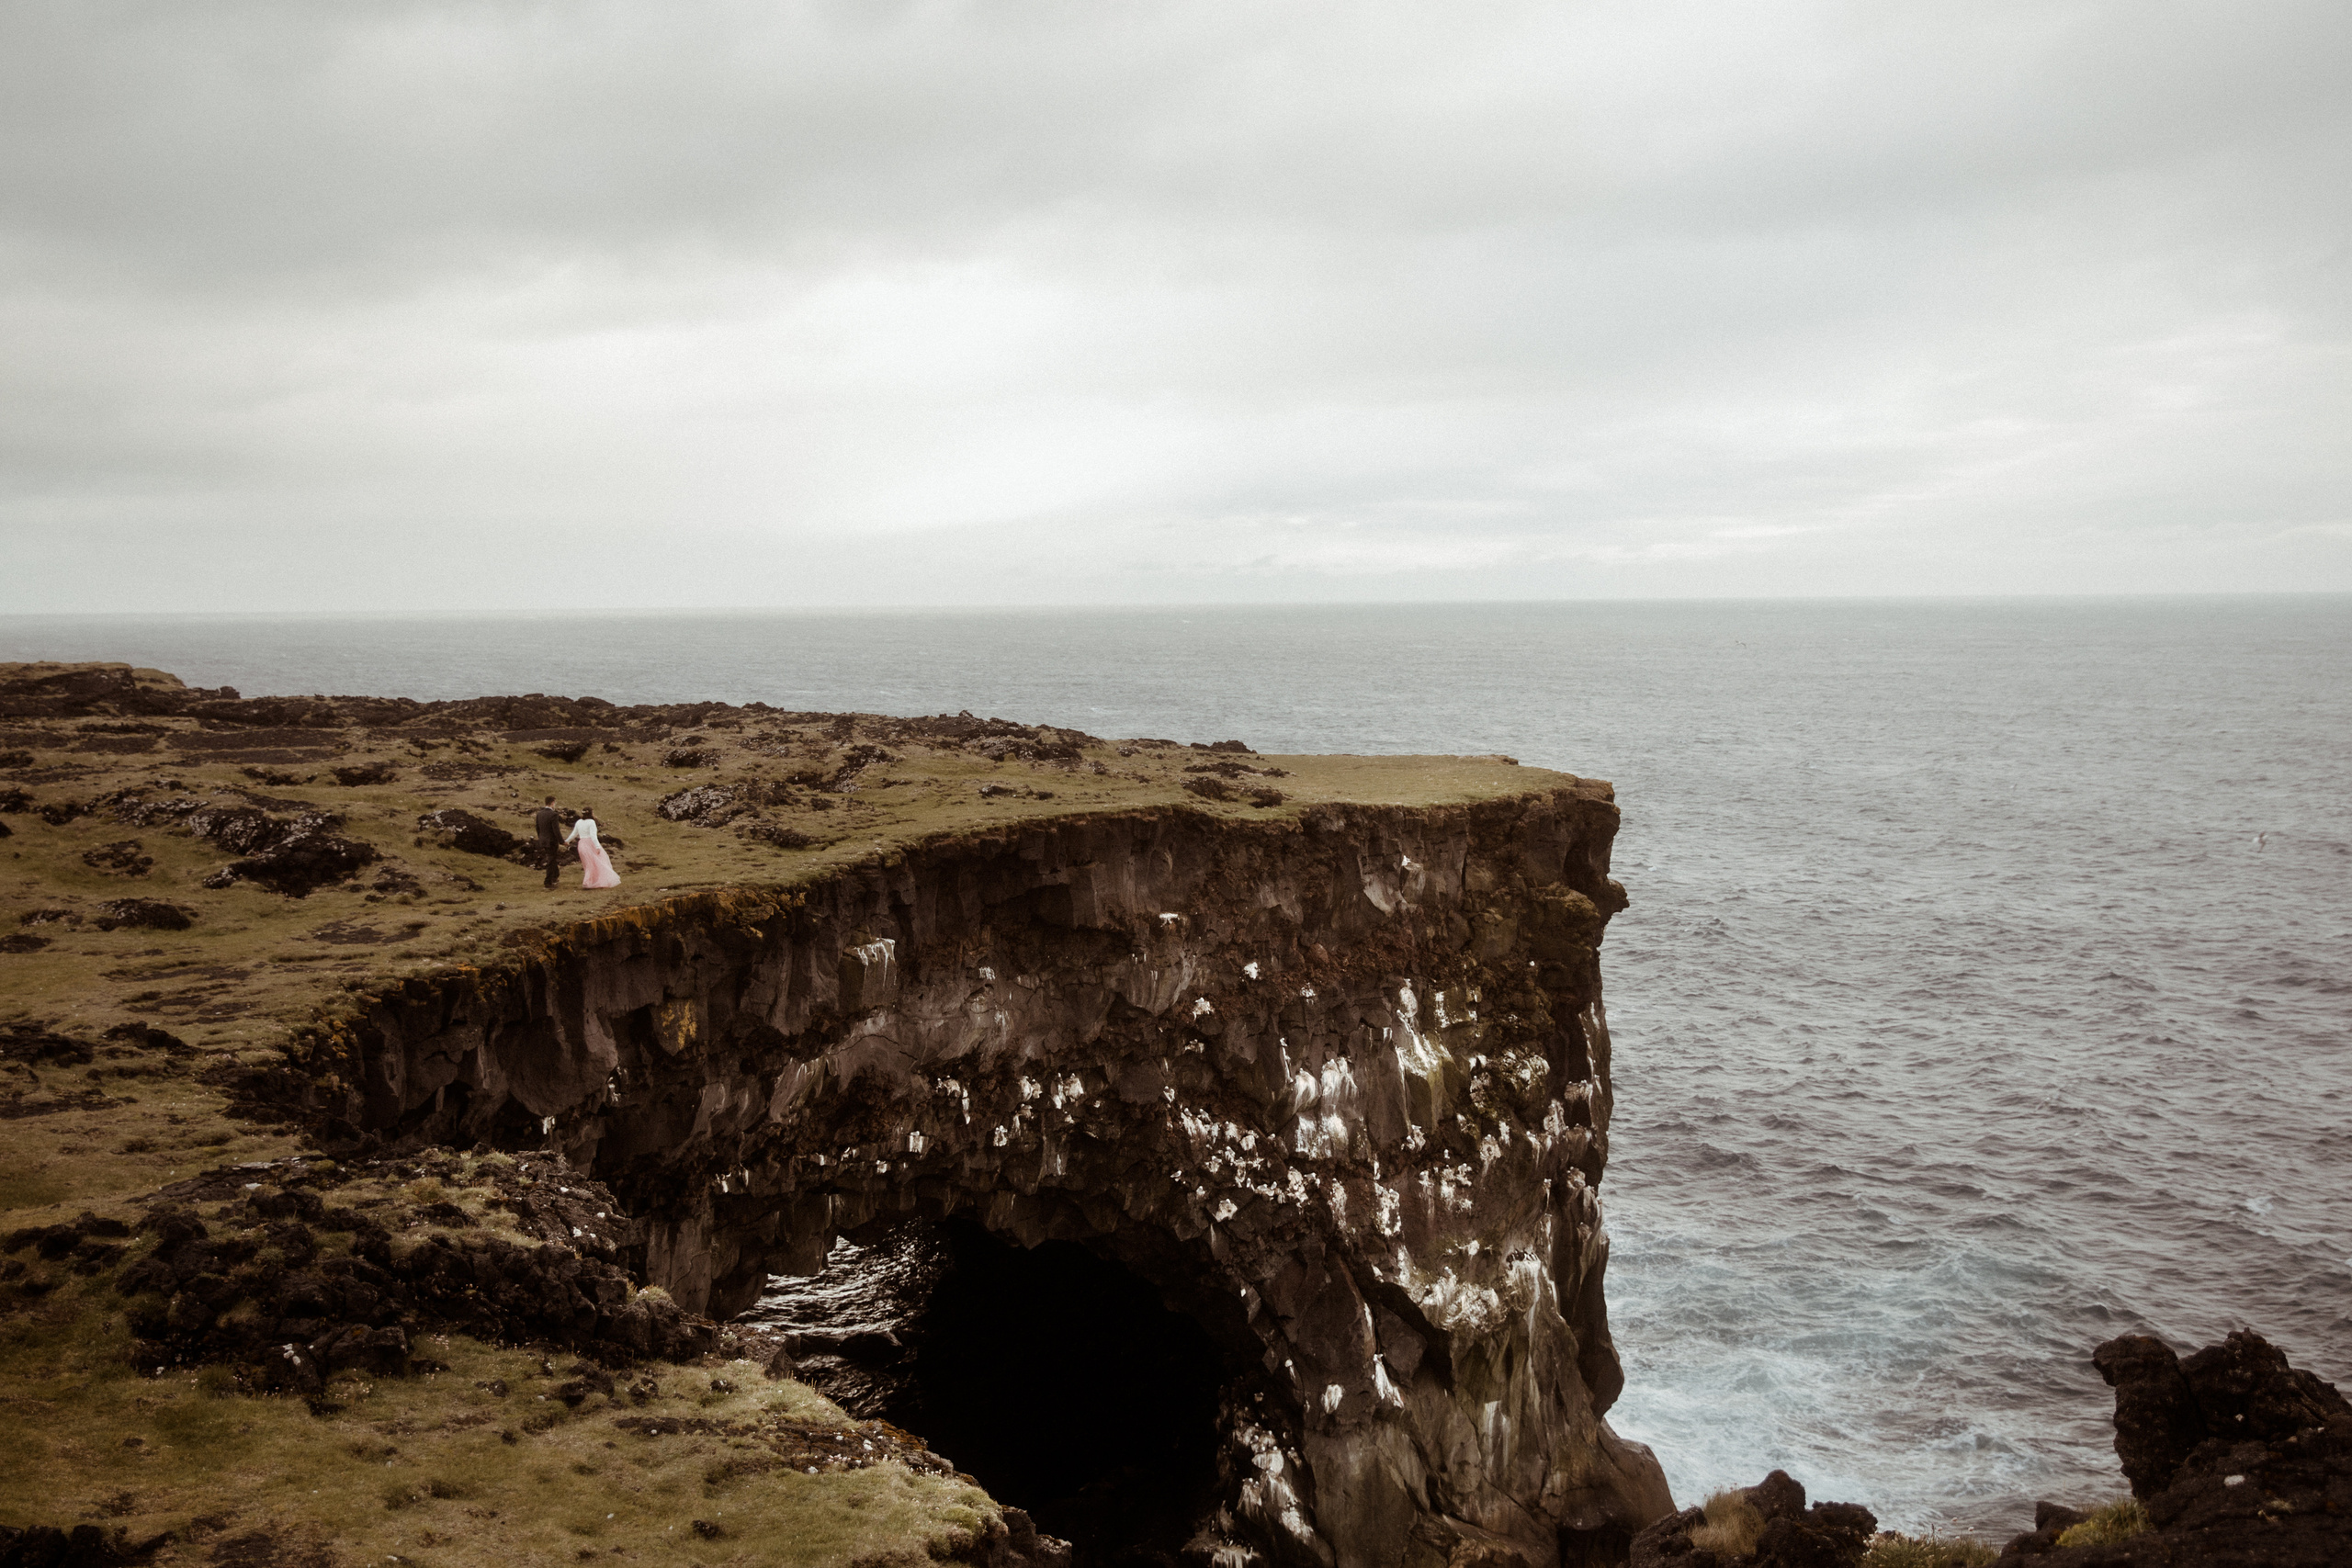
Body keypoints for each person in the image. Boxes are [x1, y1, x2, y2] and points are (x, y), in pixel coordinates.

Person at [564, 807, 620, 890]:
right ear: (590, 813)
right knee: (598, 862)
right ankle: (591, 882)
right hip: (590, 843)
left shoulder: (579, 822)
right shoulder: (591, 822)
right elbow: (593, 836)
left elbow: (574, 834)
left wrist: (566, 841)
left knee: (587, 864)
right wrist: (597, 847)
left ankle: (590, 881)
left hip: (582, 844)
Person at [533, 795, 562, 889]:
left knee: (551, 858)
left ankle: (555, 876)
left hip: (543, 840)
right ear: (552, 803)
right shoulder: (554, 815)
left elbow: (538, 828)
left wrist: (541, 838)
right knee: (551, 860)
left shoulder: (539, 814)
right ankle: (548, 881)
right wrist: (562, 841)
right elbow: (556, 830)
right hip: (552, 841)